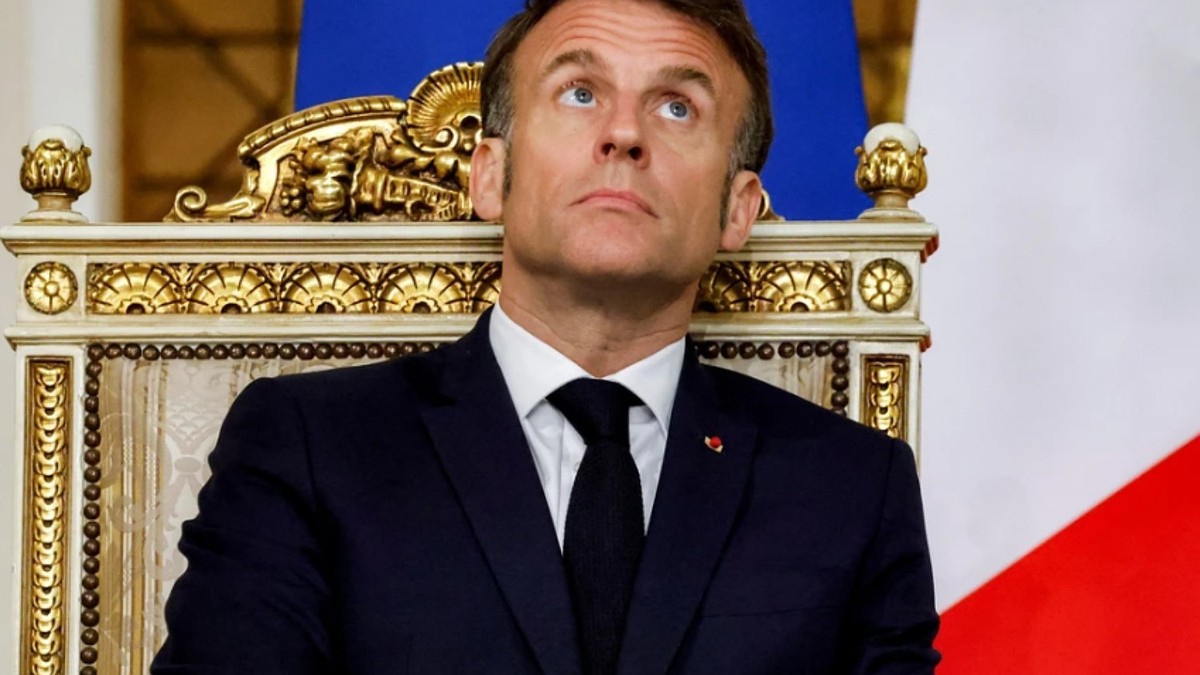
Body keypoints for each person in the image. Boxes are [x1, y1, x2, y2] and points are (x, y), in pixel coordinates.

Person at [152, 0, 940, 672]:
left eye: (677, 107)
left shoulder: (852, 487)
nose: (624, 133)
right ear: (489, 175)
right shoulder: (308, 445)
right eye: (580, 93)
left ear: (738, 209)